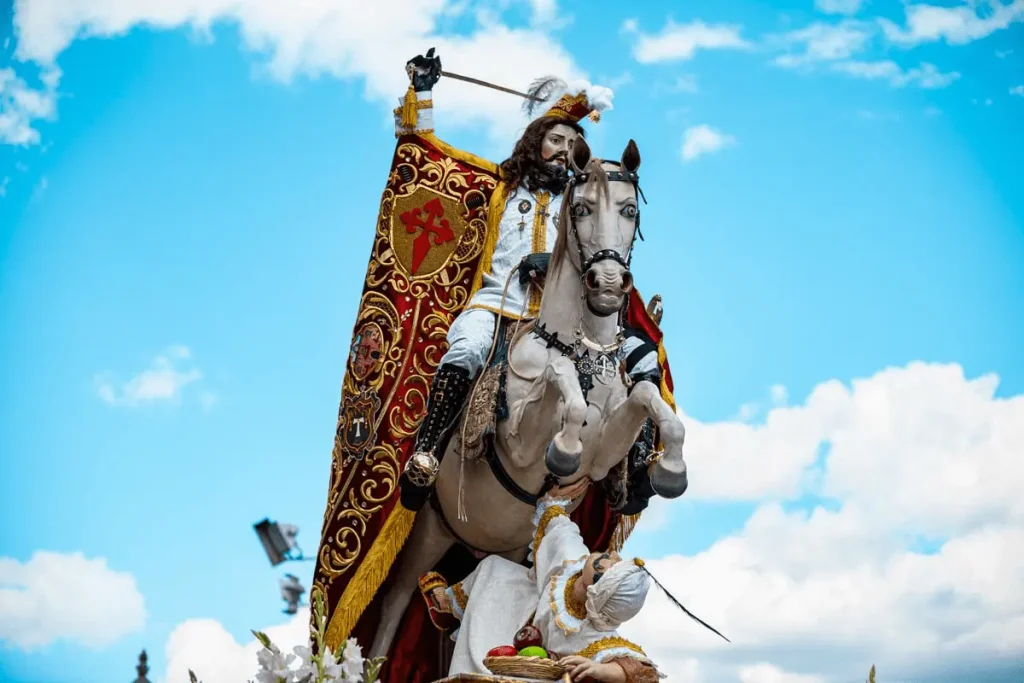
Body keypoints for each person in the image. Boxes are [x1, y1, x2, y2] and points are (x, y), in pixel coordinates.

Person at [394, 49, 615, 510]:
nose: (562, 151)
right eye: (554, 140)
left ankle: (625, 469)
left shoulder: (583, 202)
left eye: (572, 146)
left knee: (617, 368)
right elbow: (430, 156)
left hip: (556, 322)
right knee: (467, 348)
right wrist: (423, 90)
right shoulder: (498, 186)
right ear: (535, 143)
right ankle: (428, 452)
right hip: (495, 305)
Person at [417, 479, 665, 683]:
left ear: (596, 588)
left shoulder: (592, 633)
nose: (612, 554)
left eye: (612, 564)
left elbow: (645, 674)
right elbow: (559, 528)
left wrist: (600, 668)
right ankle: (446, 606)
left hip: (534, 666)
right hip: (525, 611)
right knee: (497, 571)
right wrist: (555, 499)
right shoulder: (573, 561)